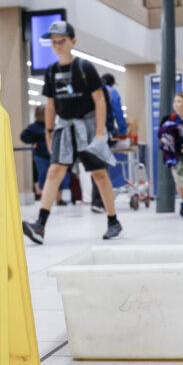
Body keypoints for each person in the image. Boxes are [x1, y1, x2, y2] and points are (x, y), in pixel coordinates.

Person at [23, 21, 122, 244]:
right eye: (54, 42)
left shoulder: (85, 68)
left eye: (62, 41)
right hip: (64, 127)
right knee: (54, 172)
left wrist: (99, 131)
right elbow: (50, 104)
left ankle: (113, 220)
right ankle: (40, 225)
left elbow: (99, 100)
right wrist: (49, 131)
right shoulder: (51, 72)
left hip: (88, 127)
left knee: (99, 174)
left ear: (72, 42)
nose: (57, 45)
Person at [91, 73, 129, 212]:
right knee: (101, 167)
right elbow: (118, 112)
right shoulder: (112, 92)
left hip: (89, 131)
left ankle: (96, 201)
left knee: (94, 166)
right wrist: (123, 130)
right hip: (104, 132)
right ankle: (99, 202)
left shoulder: (92, 89)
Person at [21, 106, 68, 205]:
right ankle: (45, 199)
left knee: (58, 176)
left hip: (55, 155)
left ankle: (59, 199)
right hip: (41, 156)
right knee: (43, 176)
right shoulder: (34, 127)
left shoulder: (53, 125)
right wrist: (33, 141)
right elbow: (23, 136)